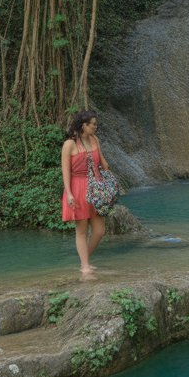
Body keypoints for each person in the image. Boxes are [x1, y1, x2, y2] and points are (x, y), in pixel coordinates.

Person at [61, 110, 110, 278]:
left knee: (99, 230)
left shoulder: (95, 140)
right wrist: (69, 194)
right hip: (78, 187)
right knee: (81, 230)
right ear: (84, 125)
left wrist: (106, 172)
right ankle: (85, 266)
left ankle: (85, 260)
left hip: (95, 187)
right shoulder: (70, 144)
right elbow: (65, 171)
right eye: (93, 124)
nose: (96, 127)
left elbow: (103, 164)